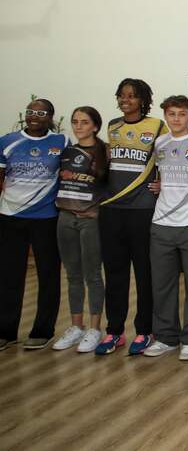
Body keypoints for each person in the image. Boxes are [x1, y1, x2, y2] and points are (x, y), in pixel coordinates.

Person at [96, 78, 167, 355]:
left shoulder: (158, 127)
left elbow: (167, 161)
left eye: (132, 96)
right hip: (112, 210)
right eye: (122, 95)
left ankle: (145, 330)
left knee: (144, 273)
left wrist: (163, 184)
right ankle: (114, 331)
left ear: (143, 100)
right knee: (114, 273)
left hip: (142, 210)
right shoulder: (113, 126)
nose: (126, 100)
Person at [143, 95, 188, 361]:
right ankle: (166, 337)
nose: (176, 119)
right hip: (162, 225)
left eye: (182, 114)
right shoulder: (160, 143)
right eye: (171, 114)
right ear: (165, 116)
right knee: (162, 285)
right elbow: (159, 177)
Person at [0, 99, 67, 351]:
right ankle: (6, 330)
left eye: (40, 113)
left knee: (48, 274)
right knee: (9, 275)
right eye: (30, 112)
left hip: (47, 218)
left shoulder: (61, 142)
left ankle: (43, 329)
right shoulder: (7, 141)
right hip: (10, 216)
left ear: (50, 117)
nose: (34, 116)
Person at [52, 106, 108, 353]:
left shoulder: (105, 151)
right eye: (75, 122)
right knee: (72, 275)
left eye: (84, 122)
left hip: (91, 220)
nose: (78, 126)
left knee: (92, 275)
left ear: (95, 126)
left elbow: (112, 187)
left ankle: (95, 328)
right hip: (65, 218)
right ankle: (76, 326)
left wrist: (97, 210)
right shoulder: (65, 152)